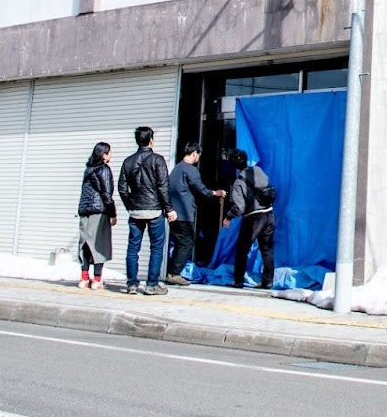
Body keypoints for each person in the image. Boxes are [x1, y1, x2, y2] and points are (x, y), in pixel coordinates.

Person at [117, 125, 174, 295]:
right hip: (154, 210)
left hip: (135, 211)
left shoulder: (128, 161)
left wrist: (130, 204)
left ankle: (132, 284)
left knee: (133, 248)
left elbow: (122, 188)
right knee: (156, 247)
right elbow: (163, 186)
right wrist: (169, 209)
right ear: (151, 140)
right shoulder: (158, 160)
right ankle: (151, 285)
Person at [166, 141, 222, 285]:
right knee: (187, 242)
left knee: (179, 243)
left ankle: (171, 272)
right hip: (184, 213)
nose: (198, 158)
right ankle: (174, 273)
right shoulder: (190, 170)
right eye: (199, 155)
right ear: (195, 153)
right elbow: (200, 188)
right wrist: (214, 193)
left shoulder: (177, 168)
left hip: (173, 213)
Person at [223, 150, 275, 290]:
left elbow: (239, 207)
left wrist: (228, 217)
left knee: (242, 250)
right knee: (267, 250)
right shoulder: (258, 170)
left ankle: (238, 281)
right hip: (269, 214)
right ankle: (267, 281)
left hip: (253, 217)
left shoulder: (239, 182)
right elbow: (266, 183)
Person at [75, 142, 115, 290]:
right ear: (103, 155)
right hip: (99, 211)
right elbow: (106, 194)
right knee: (99, 244)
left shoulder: (88, 170)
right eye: (109, 152)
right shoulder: (104, 170)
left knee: (85, 244)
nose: (111, 155)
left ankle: (84, 278)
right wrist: (112, 213)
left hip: (84, 211)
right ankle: (97, 280)